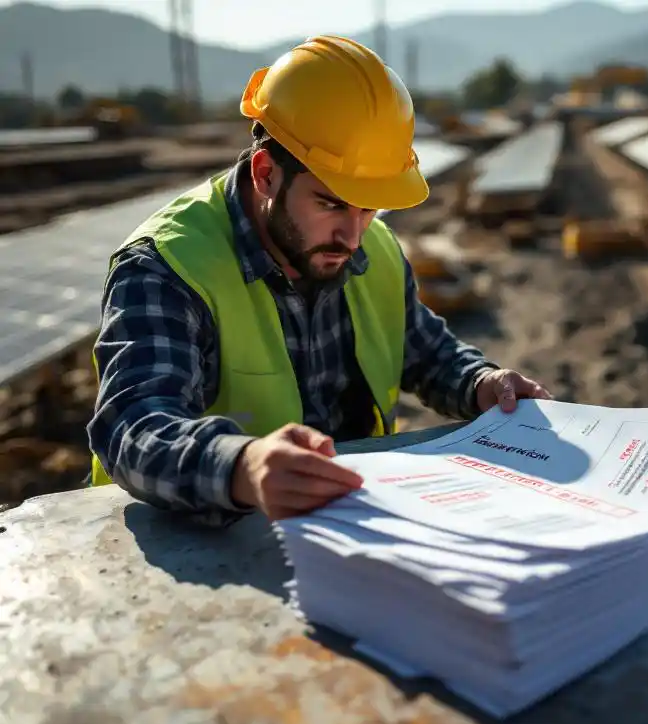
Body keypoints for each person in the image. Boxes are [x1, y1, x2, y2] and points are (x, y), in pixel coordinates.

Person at [87, 35, 551, 525]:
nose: (353, 236)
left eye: (368, 206)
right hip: (200, 551)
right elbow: (134, 425)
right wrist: (242, 465)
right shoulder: (168, 267)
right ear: (266, 174)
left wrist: (482, 383)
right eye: (330, 203)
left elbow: (426, 351)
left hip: (345, 523)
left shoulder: (375, 248)